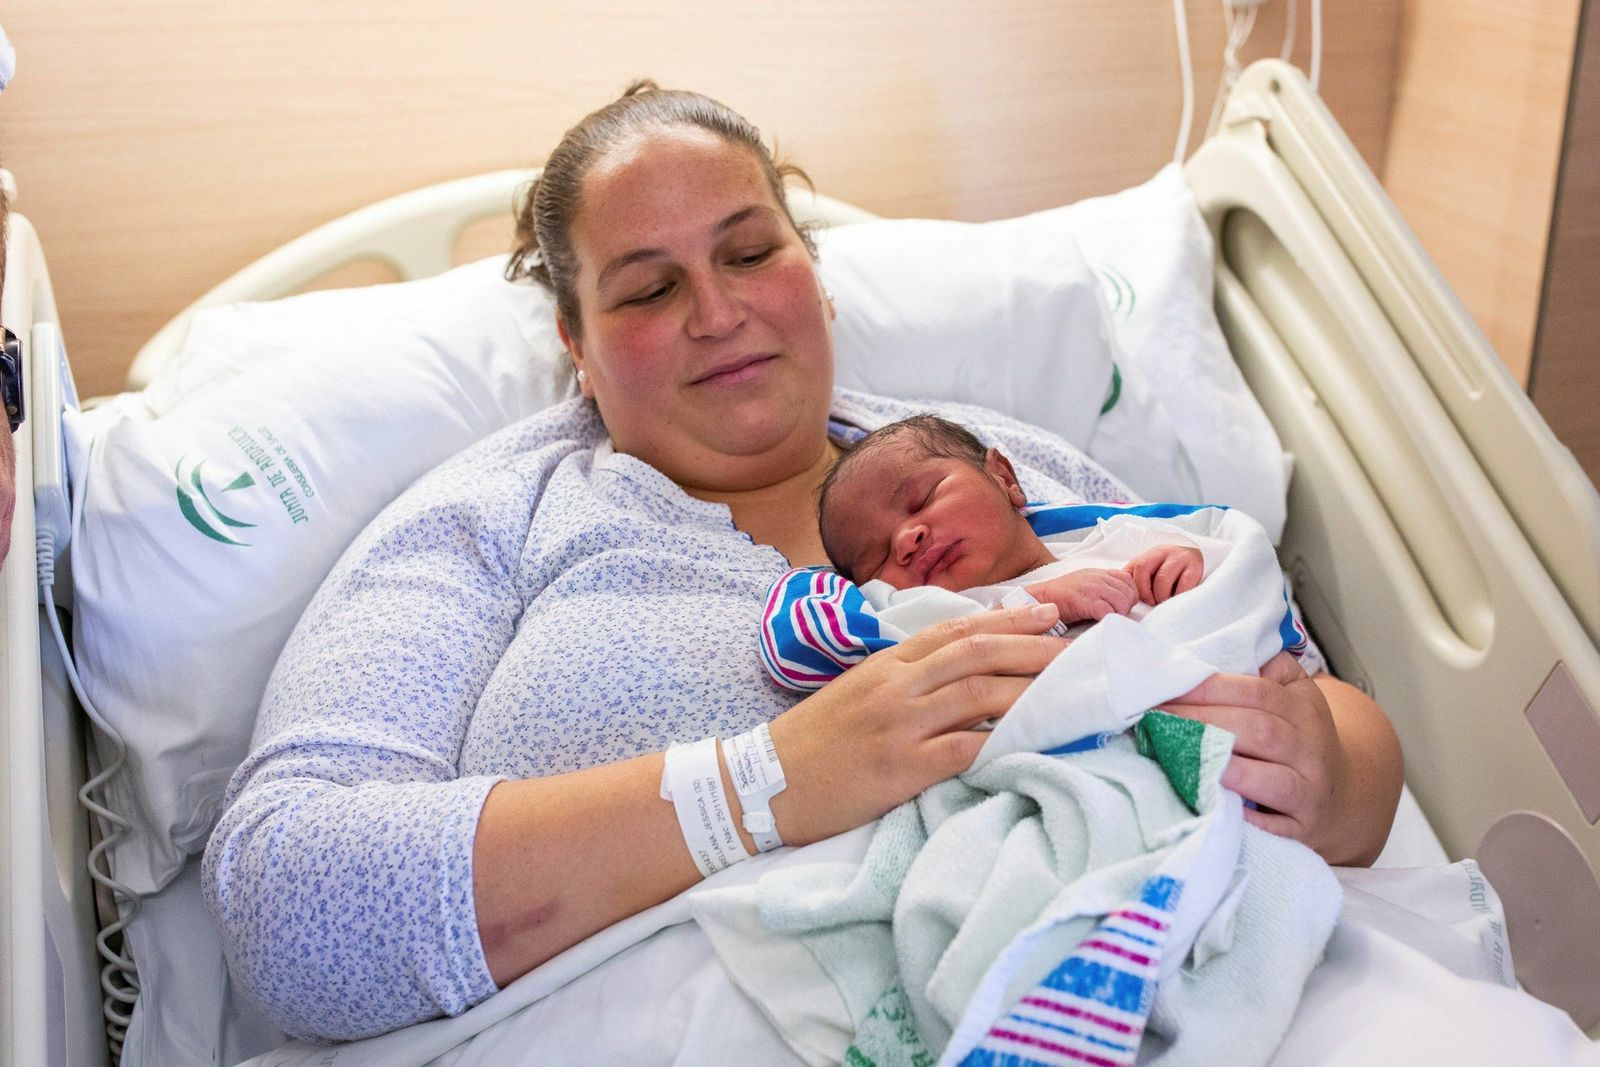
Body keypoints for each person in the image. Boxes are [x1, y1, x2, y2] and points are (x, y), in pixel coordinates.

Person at [202, 81, 1404, 1043]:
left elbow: (1292, 674)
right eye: (648, 286)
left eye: (748, 251)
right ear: (573, 343)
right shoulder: (488, 522)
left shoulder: (990, 462)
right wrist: (763, 782)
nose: (717, 314)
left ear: (812, 269)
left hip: (1149, 956)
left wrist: (1329, 767)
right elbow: (284, 893)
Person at [761, 413, 1307, 692]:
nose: (907, 540)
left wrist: (1193, 567)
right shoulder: (922, 613)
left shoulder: (1119, 542)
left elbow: (1245, 575)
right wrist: (1035, 606)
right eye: (878, 556)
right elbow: (859, 653)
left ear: (1003, 477)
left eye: (922, 498)